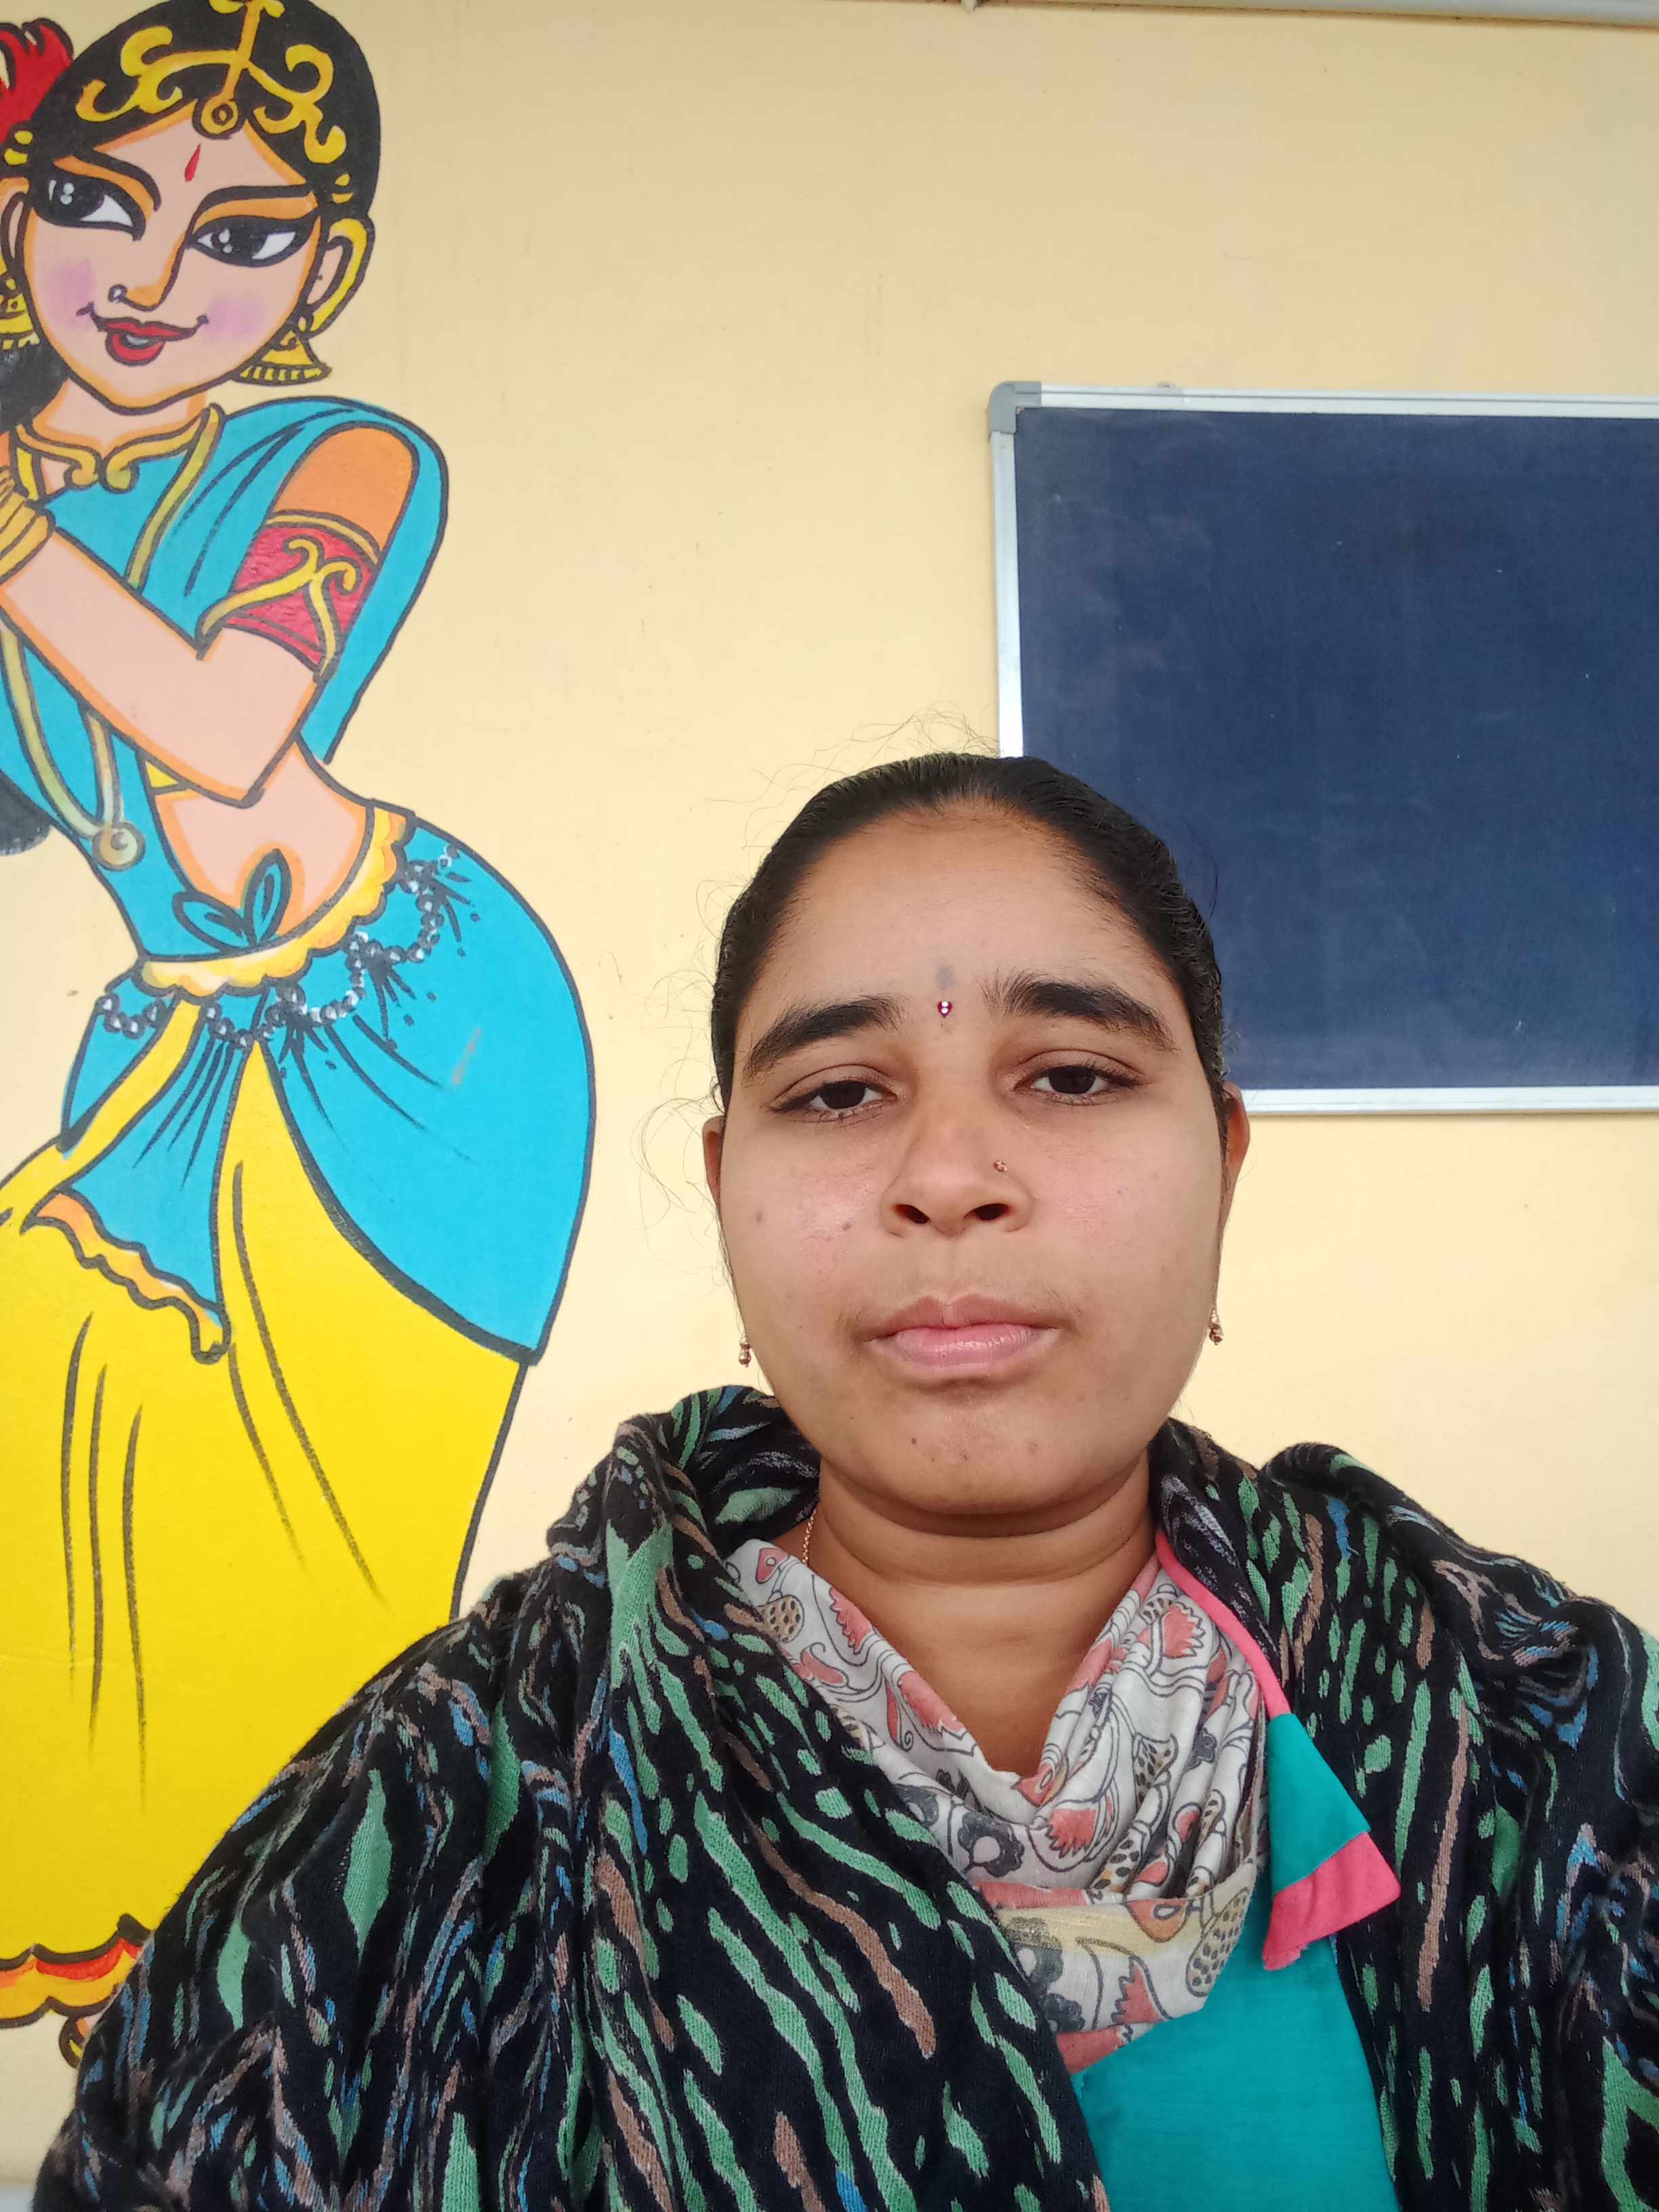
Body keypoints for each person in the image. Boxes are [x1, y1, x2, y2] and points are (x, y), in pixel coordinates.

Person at [35, 752, 1659, 2209]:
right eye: (837, 1094)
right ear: (726, 1185)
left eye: (1072, 1076)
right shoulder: (428, 1818)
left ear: (1223, 1168)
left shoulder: (1543, 1738)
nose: (948, 1177)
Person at [0, 1, 592, 2052]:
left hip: (412, 1027)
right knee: (70, 1463)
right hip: (174, 1038)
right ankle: (165, 2030)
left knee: (312, 1567)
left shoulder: (344, 458)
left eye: (237, 236)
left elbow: (227, 737)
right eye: (98, 206)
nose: (151, 279)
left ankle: (300, 2001)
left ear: (323, 270)